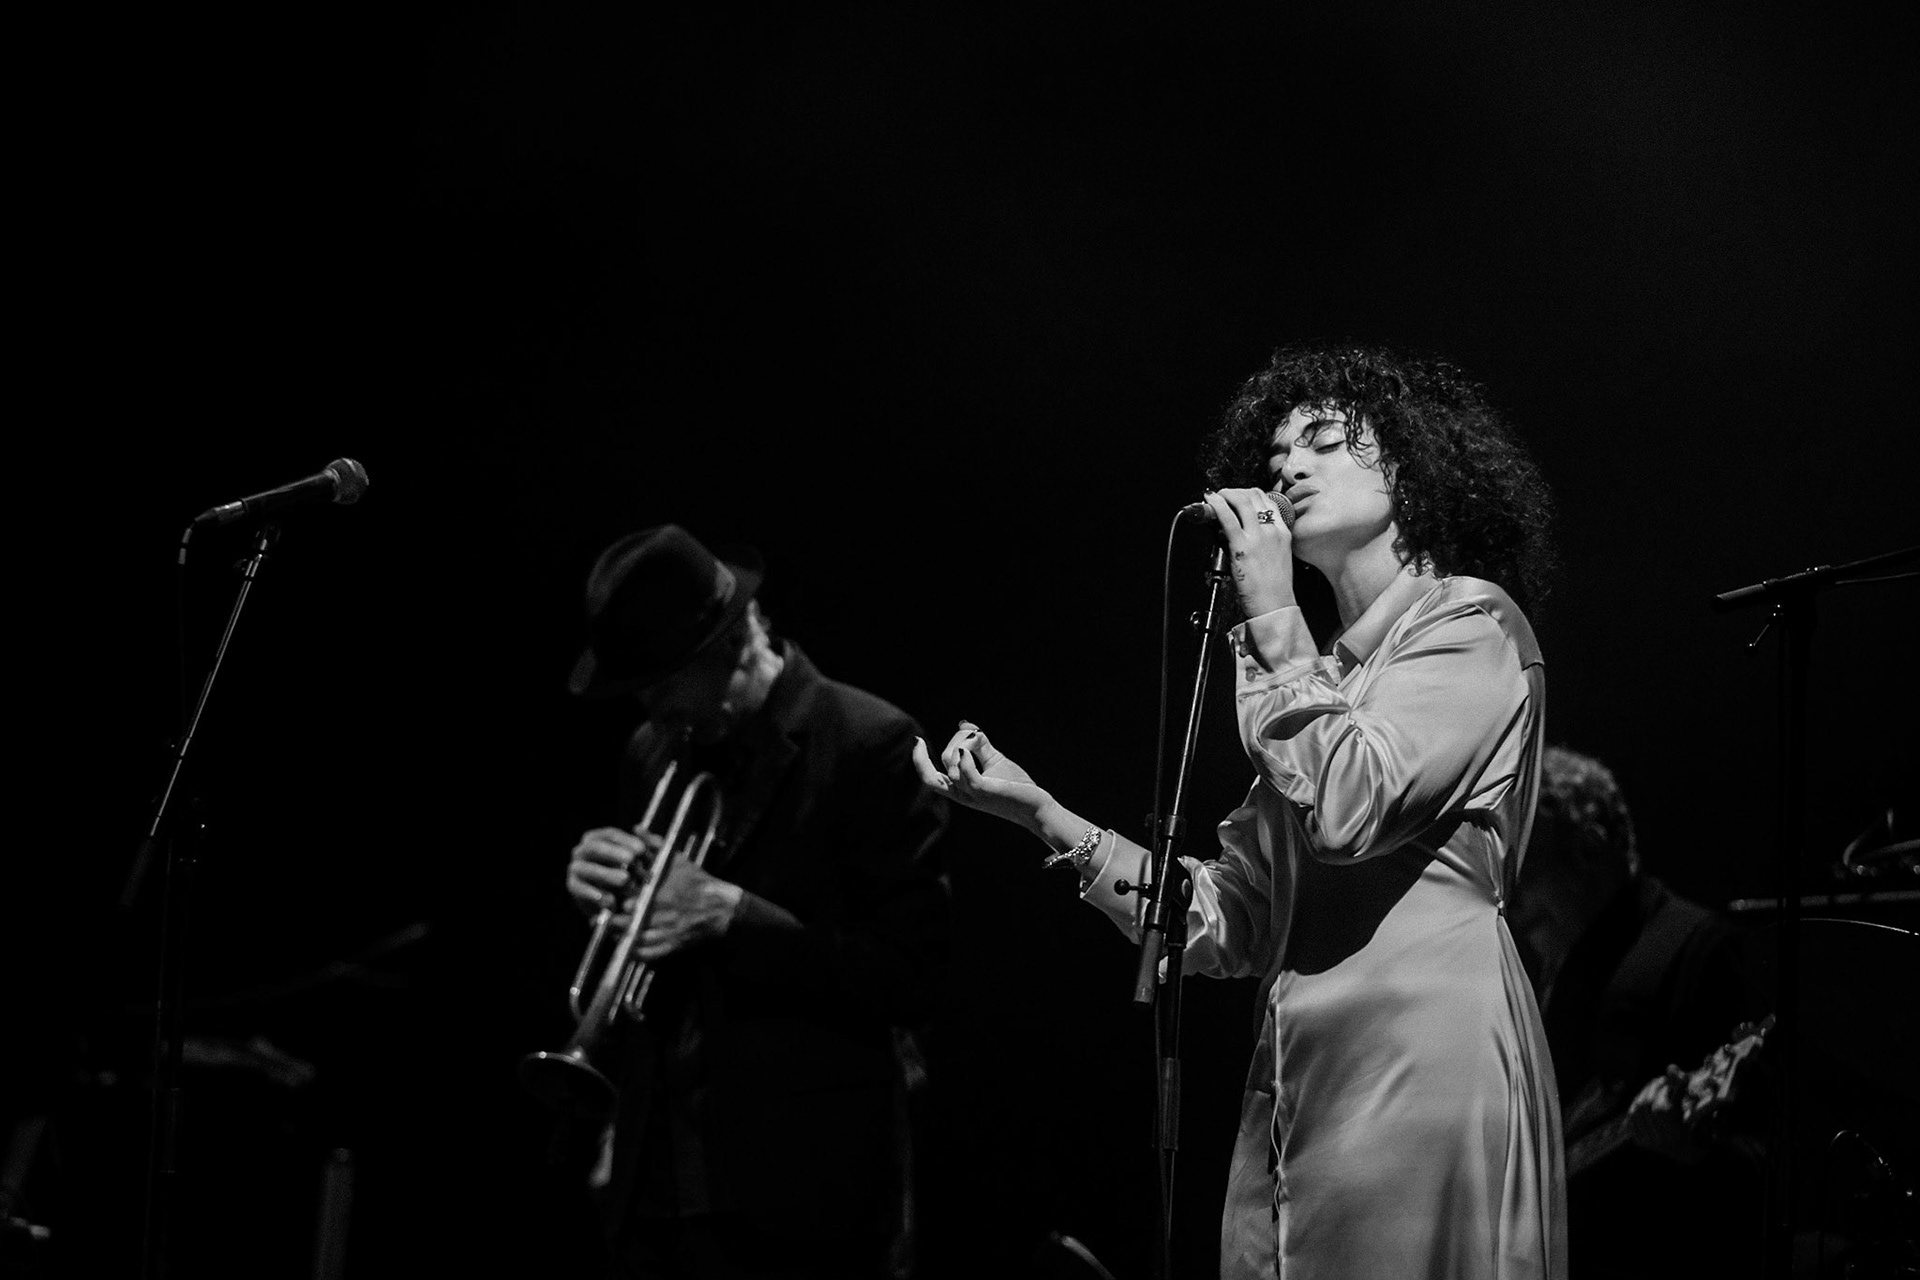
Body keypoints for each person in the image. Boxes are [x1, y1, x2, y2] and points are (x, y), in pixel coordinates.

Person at [914, 342, 1565, 1279]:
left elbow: (1351, 807)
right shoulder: (1317, 673)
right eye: (1274, 460)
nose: (1290, 468)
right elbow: (1230, 919)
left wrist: (1269, 619)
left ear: (1415, 467)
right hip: (1303, 1065)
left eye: (1327, 442)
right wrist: (1041, 813)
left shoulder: (1471, 624)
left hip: (1426, 1056)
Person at [560, 525, 949, 1280]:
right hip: (658, 1187)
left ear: (736, 640)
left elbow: (911, 978)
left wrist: (734, 916)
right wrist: (606, 906)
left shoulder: (870, 741)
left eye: (663, 679)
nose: (650, 706)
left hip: (805, 1199)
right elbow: (651, 968)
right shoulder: (655, 752)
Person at [1512, 745, 1769, 1279]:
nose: (1511, 904)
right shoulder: (1544, 978)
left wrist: (1699, 1149)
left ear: (1588, 847)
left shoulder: (1703, 950)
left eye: (1526, 869)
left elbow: (1771, 1162)